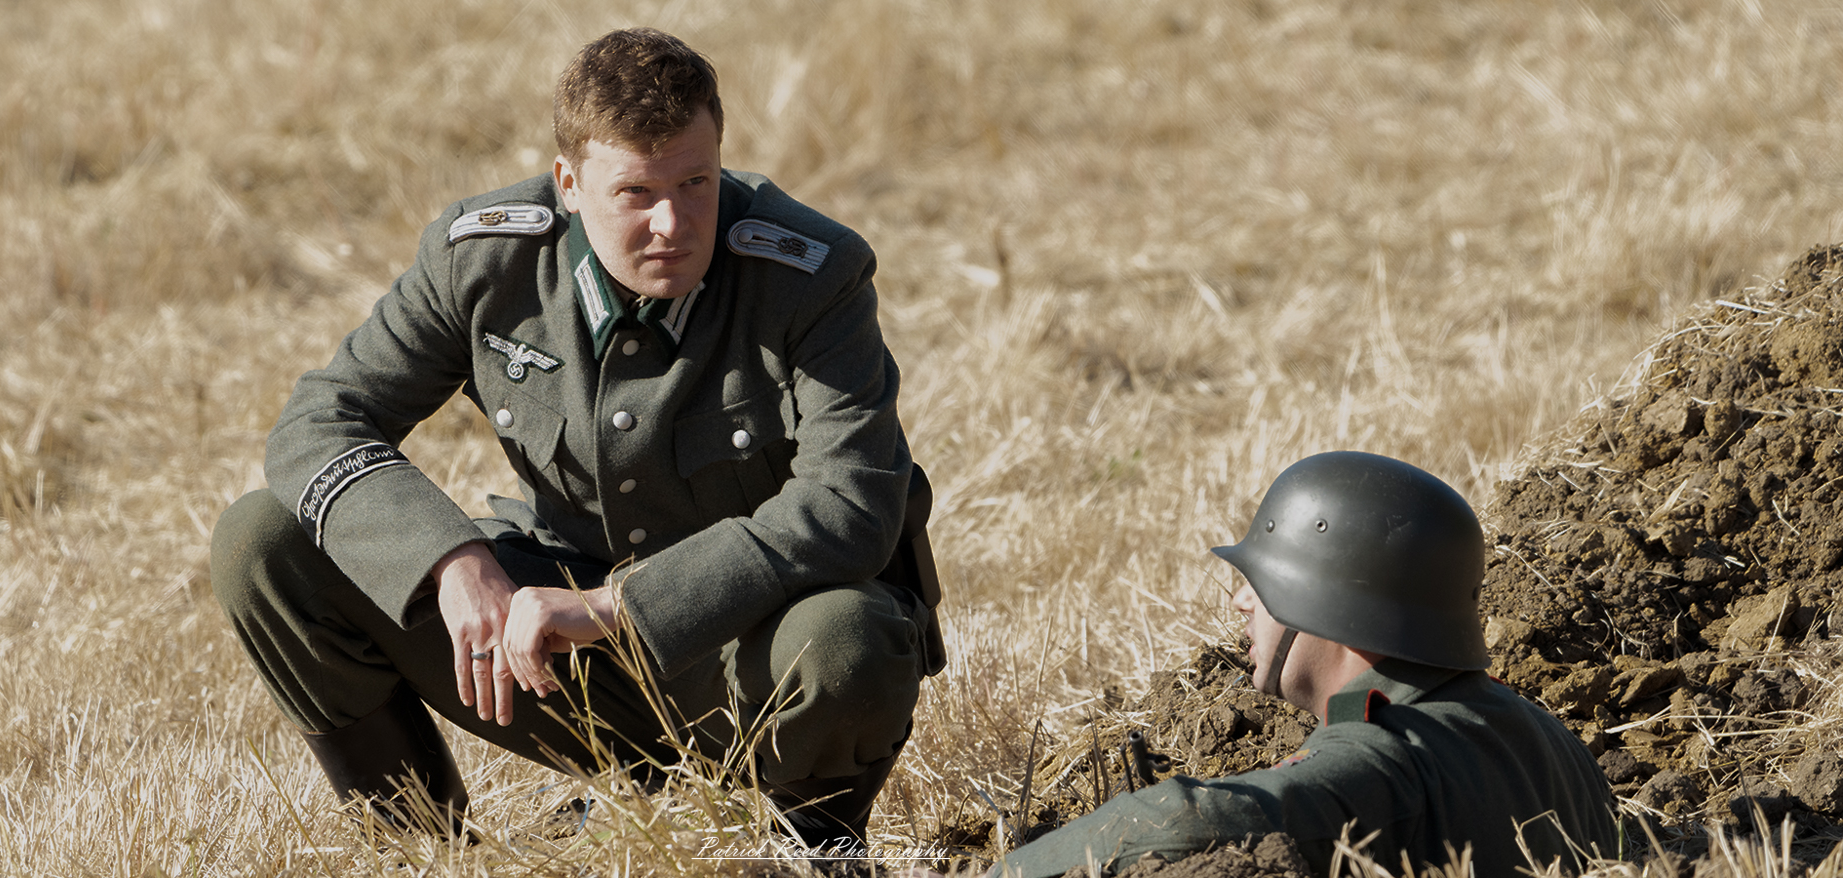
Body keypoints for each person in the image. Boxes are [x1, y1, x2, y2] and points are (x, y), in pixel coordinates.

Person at [207, 27, 942, 852]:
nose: (673, 222)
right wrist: (450, 560)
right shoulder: (486, 262)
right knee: (263, 540)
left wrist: (617, 608)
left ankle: (806, 851)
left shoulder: (812, 274)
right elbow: (318, 422)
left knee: (849, 634)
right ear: (568, 184)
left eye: (696, 182)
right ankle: (421, 852)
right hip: (553, 656)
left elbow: (851, 507)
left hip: (745, 657)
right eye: (635, 192)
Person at [991, 451, 1616, 877]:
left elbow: (1198, 818)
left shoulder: (1388, 756)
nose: (1240, 601)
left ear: (1328, 604)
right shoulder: (1546, 735)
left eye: (1262, 584)